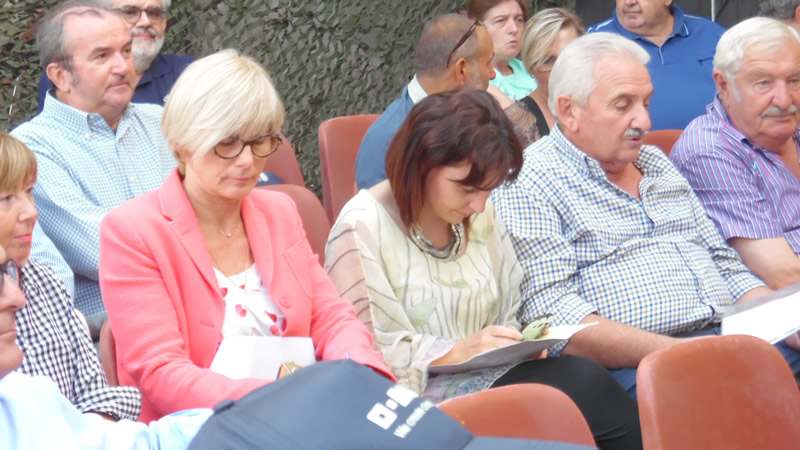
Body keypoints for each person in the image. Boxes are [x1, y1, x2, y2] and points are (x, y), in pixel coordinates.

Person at [327, 89, 642, 450]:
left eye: (488, 191)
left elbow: (509, 302)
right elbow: (361, 353)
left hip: (494, 373)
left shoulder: (478, 215)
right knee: (580, 387)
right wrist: (456, 350)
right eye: (466, 189)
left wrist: (516, 342)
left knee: (585, 381)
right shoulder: (361, 226)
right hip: (415, 402)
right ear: (421, 163)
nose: (478, 205)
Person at [490, 32, 800, 396]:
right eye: (623, 105)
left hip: (730, 337)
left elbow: (725, 264)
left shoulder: (655, 162)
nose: (644, 120)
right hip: (637, 363)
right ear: (569, 111)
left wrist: (784, 320)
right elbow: (555, 317)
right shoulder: (529, 180)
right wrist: (683, 353)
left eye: (646, 103)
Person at [99, 49, 393, 423]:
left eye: (261, 141)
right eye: (227, 142)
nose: (248, 160)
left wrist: (361, 373)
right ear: (182, 144)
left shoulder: (280, 211)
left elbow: (330, 316)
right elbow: (161, 374)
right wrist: (287, 399)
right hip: (204, 430)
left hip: (304, 418)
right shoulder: (132, 231)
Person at [12, 0, 177, 320]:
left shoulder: (161, 122)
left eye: (126, 51)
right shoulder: (33, 149)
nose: (123, 66)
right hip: (113, 331)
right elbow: (105, 251)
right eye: (102, 56)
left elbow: (213, 214)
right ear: (60, 75)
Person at [0, 132, 141, 420]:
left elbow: (95, 392)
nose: (30, 212)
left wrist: (87, 431)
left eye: (29, 192)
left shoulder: (44, 281)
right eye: (6, 198)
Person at [671, 18, 800, 290]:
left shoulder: (792, 127)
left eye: (795, 80)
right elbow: (784, 275)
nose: (784, 99)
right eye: (763, 83)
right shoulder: (710, 152)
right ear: (724, 86)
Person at [355, 14, 495, 190]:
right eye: (488, 63)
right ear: (461, 70)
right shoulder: (389, 141)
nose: (493, 74)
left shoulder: (464, 119)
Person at [587, 0, 724, 130]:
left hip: (712, 145)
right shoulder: (591, 42)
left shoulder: (712, 34)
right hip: (630, 145)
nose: (629, 2)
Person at [36, 0, 194, 112]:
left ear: (164, 23)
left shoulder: (188, 73)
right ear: (100, 18)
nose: (145, 22)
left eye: (154, 13)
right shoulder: (68, 76)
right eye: (130, 12)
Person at [497, 8, 584, 147]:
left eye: (569, 56)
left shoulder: (602, 107)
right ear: (530, 67)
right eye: (548, 60)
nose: (561, 68)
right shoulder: (516, 125)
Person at [467, 0, 538, 100]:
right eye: (500, 21)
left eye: (519, 20)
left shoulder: (531, 70)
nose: (514, 29)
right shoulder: (471, 79)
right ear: (476, 28)